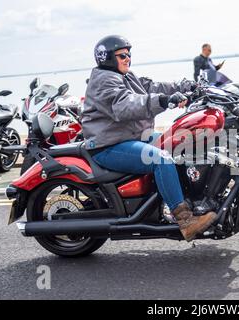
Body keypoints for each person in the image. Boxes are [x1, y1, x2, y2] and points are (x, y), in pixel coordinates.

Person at [83, 35, 217, 242]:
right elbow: (126, 105)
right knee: (161, 158)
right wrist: (164, 101)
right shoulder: (103, 81)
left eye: (129, 54)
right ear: (106, 57)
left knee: (176, 142)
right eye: (122, 55)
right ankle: (185, 222)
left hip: (130, 138)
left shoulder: (124, 75)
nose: (128, 58)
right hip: (108, 145)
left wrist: (184, 86)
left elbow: (152, 87)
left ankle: (188, 200)